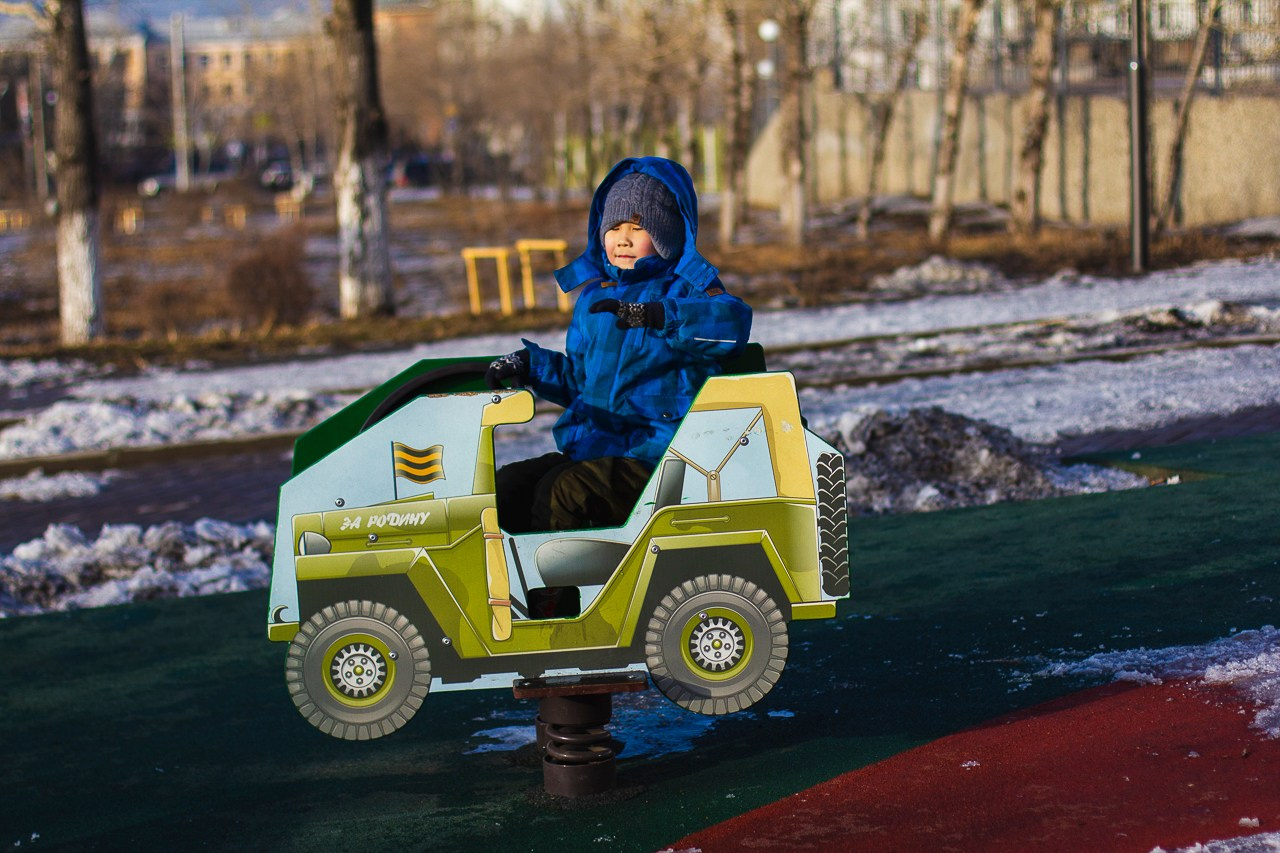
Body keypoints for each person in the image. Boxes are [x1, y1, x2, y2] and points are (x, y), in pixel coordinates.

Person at [486, 156, 752, 533]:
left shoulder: (689, 292)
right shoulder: (595, 299)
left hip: (660, 459)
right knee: (510, 485)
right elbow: (579, 381)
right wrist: (530, 366)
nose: (622, 238)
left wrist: (656, 316)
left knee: (564, 492)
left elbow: (732, 328)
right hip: (597, 449)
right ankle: (511, 587)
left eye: (637, 227)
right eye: (613, 227)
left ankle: (558, 593)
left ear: (668, 233)